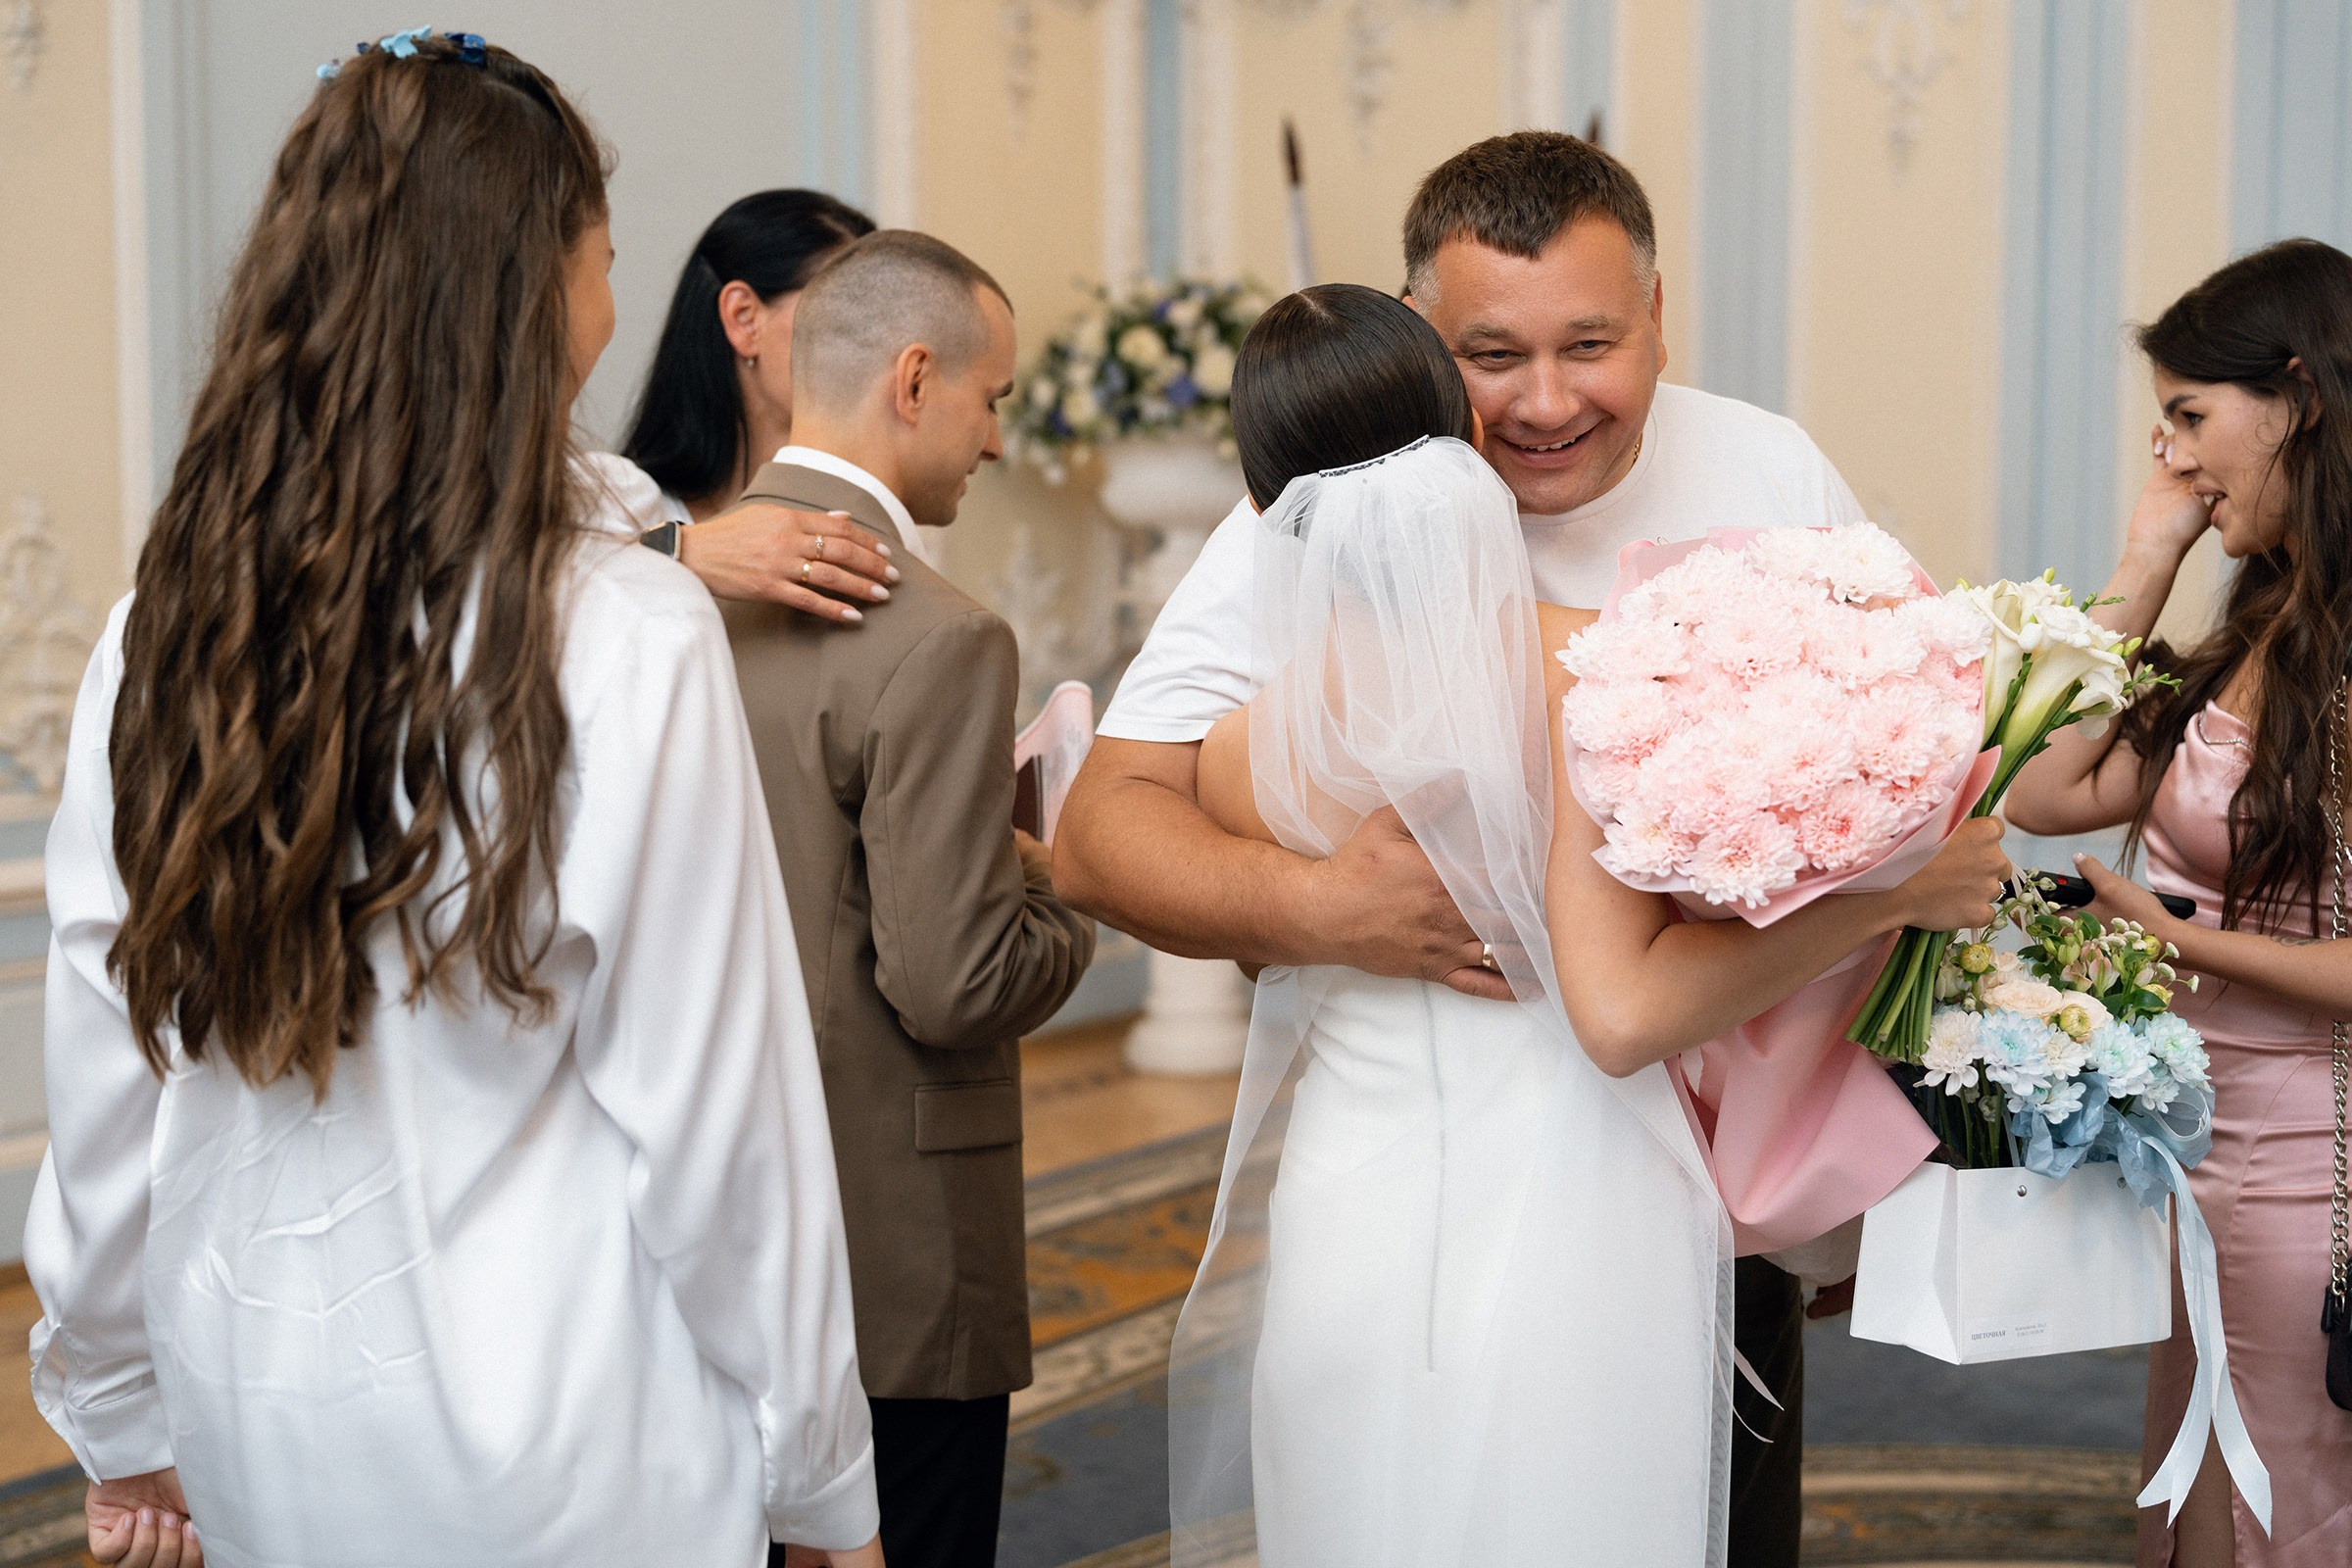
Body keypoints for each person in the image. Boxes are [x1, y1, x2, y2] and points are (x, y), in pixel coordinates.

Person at [24, 34, 879, 1568]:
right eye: (602, 256)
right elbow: (722, 1119)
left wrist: (116, 1403)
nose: (612, 299)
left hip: (260, 1407)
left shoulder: (172, 621)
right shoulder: (626, 633)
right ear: (533, 291)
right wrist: (818, 1474)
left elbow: (109, 1045)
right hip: (571, 1434)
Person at [1054, 129, 1871, 1564]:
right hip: (1424, 1154)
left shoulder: (1768, 468)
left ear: (1660, 313)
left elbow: (1884, 791)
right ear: (1423, 344)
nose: (1548, 401)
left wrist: (1846, 1157)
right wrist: (1327, 908)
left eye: (1592, 345)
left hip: (1720, 1168)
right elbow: (1104, 831)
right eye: (1494, 356)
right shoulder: (1306, 526)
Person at [1166, 283, 2007, 1564]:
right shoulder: (1582, 672)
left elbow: (1248, 932)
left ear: (1263, 499)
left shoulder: (1245, 746)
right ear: (1465, 443)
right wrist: (1896, 896)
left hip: (1350, 1203)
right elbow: (1621, 1017)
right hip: (1573, 1203)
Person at [721, 229, 1095, 1568]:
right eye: (992, 400)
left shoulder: (665, 592)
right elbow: (952, 981)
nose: (994, 440)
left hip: (711, 1216)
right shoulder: (939, 635)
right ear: (917, 378)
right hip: (889, 1234)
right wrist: (1065, 880)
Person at [2007, 237, 2352, 1568]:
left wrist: (2170, 936)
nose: (2175, 455)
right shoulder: (2261, 627)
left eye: (2192, 417)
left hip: (2311, 1161)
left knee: (2281, 1502)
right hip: (2205, 1141)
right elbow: (2046, 784)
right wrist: (2147, 555)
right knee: (2205, 1484)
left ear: (2301, 398)